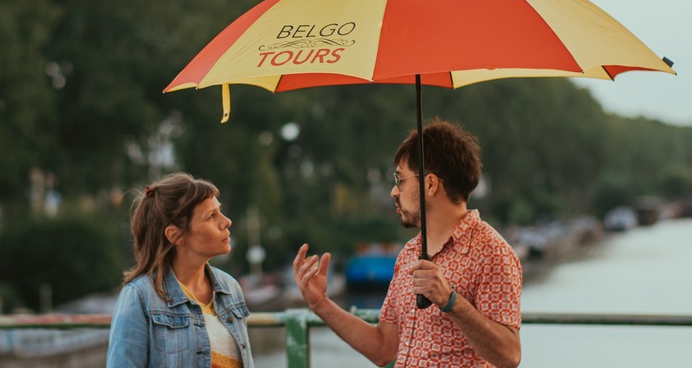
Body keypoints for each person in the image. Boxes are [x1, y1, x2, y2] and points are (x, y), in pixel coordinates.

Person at [293, 118, 522, 367]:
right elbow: (384, 347)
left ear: (430, 184)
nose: (394, 191)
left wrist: (450, 300)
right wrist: (321, 304)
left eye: (400, 179)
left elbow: (509, 355)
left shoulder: (491, 252)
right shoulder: (410, 252)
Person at [107, 172, 254, 368]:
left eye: (220, 211)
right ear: (175, 235)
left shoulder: (229, 288)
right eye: (211, 216)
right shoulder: (140, 297)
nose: (226, 221)